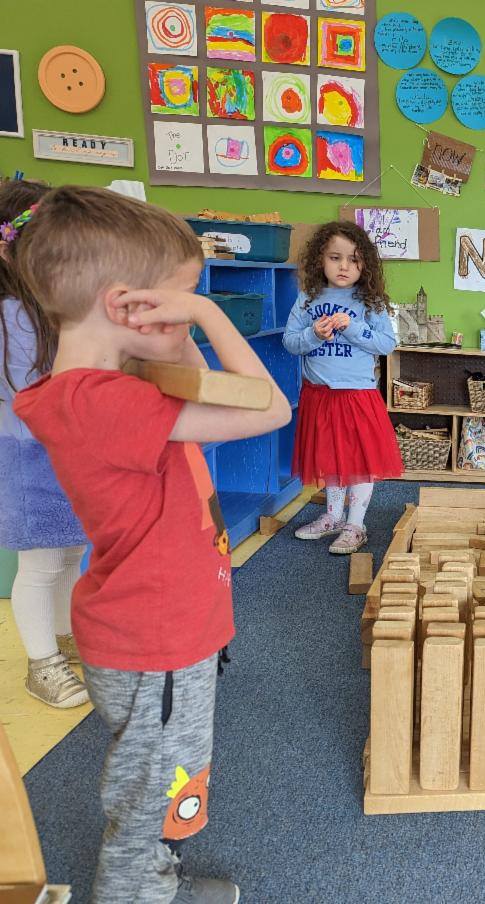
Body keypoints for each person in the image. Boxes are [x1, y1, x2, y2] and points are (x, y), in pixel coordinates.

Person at [13, 185, 292, 904]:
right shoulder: (104, 402)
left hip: (157, 627)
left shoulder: (103, 386)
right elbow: (270, 407)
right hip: (155, 638)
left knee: (163, 776)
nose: (188, 311)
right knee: (153, 789)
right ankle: (138, 890)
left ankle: (154, 875)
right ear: (125, 306)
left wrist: (180, 328)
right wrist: (208, 316)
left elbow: (203, 386)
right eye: (180, 299)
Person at [0, 179, 89, 709]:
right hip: (26, 454)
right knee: (40, 563)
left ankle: (64, 635)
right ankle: (41, 663)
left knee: (71, 549)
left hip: (69, 450)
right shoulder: (10, 312)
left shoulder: (51, 305)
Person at [283, 221, 402, 554]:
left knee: (359, 461)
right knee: (330, 459)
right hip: (319, 395)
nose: (344, 266)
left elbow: (386, 344)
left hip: (356, 395)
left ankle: (356, 524)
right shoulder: (308, 299)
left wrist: (354, 328)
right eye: (335, 258)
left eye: (353, 259)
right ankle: (333, 517)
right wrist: (313, 335)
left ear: (365, 264)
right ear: (320, 259)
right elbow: (290, 342)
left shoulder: (370, 301)